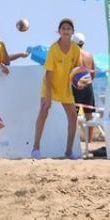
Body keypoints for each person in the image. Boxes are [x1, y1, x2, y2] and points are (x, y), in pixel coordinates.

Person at [31, 18, 83, 160]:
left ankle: (68, 152)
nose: (66, 31)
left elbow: (76, 70)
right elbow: (48, 73)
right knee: (44, 111)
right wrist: (48, 96)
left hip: (65, 88)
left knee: (73, 117)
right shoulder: (54, 48)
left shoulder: (76, 49)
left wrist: (81, 80)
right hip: (50, 85)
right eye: (63, 28)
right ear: (59, 31)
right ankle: (35, 148)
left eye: (68, 28)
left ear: (72, 32)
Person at [71, 33, 98, 151]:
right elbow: (93, 74)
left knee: (72, 115)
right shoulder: (89, 55)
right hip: (88, 85)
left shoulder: (72, 54)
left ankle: (73, 141)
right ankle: (90, 141)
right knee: (89, 115)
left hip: (75, 85)